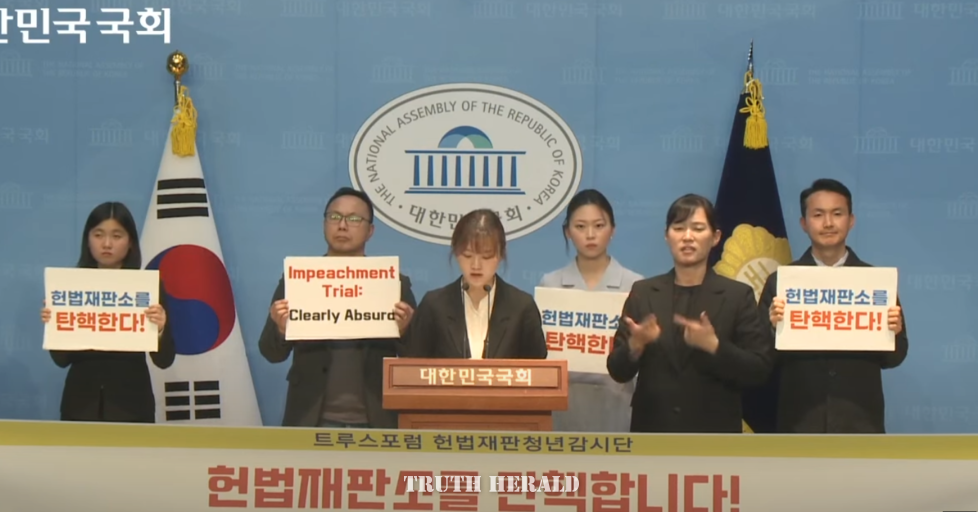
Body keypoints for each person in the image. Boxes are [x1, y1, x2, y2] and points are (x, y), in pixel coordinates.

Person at [606, 194, 774, 433]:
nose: (687, 236)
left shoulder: (737, 296)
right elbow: (617, 370)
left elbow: (758, 370)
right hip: (653, 431)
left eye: (698, 228)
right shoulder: (644, 292)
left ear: (715, 237)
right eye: (678, 228)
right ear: (667, 236)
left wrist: (715, 346)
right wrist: (635, 344)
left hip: (714, 435)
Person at [258, 187, 416, 429]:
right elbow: (271, 353)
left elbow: (418, 357)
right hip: (310, 419)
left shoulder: (393, 283)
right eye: (334, 217)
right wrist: (281, 330)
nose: (342, 225)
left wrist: (404, 331)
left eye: (354, 219)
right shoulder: (299, 279)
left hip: (377, 419)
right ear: (324, 224)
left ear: (370, 231)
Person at [760, 178, 908, 433]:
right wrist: (772, 328)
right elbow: (760, 359)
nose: (828, 223)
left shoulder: (875, 283)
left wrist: (893, 333)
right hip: (799, 423)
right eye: (818, 215)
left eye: (837, 214)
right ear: (804, 223)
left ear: (851, 220)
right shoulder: (781, 282)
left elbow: (894, 358)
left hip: (861, 423)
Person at [40, 201, 175, 423]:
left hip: (132, 408)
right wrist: (54, 324)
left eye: (117, 236)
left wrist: (160, 329)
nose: (107, 244)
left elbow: (164, 360)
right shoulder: (70, 288)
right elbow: (61, 360)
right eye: (98, 235)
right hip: (80, 407)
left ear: (130, 242)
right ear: (88, 240)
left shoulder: (147, 288)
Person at [539, 189, 644, 432]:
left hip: (618, 404)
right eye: (580, 226)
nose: (590, 234)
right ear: (567, 231)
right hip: (564, 406)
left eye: (599, 225)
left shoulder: (636, 285)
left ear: (613, 229)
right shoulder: (550, 284)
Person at [405, 209, 547, 360]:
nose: (476, 265)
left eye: (486, 256)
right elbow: (413, 365)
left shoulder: (522, 307)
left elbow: (538, 368)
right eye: (468, 255)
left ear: (501, 255)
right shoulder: (434, 305)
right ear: (456, 252)